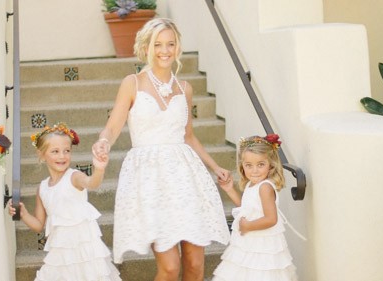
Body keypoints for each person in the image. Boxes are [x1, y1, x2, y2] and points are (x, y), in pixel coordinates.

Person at [92, 18, 230, 281]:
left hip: (186, 178)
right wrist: (103, 142)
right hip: (151, 180)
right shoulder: (131, 83)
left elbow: (188, 136)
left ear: (178, 47)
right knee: (169, 268)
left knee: (195, 265)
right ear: (147, 47)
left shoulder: (184, 88)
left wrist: (215, 167)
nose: (165, 50)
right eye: (158, 44)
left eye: (170, 44)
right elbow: (112, 126)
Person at [8, 122, 121, 281]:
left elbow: (92, 183)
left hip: (85, 253)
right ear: (41, 154)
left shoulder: (74, 177)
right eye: (55, 151)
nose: (62, 156)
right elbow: (39, 225)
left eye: (66, 151)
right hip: (60, 254)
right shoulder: (42, 188)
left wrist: (99, 169)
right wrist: (24, 214)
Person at [212, 134, 298, 281]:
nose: (254, 170)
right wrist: (229, 189)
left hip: (263, 245)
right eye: (249, 165)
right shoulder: (251, 185)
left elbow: (271, 219)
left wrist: (248, 226)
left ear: (270, 164)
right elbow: (245, 207)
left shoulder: (265, 187)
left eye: (260, 164)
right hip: (250, 243)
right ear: (242, 166)